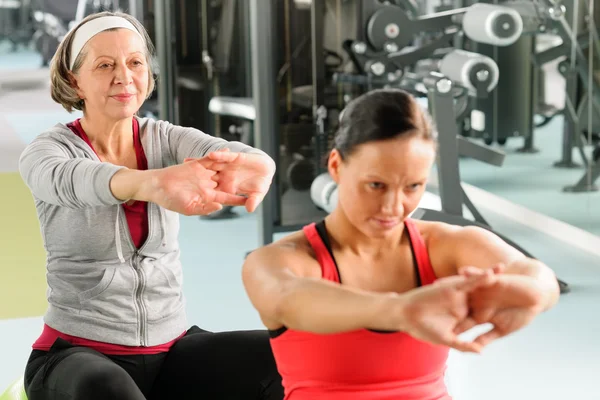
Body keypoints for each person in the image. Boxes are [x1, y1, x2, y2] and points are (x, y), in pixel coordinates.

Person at [19, 11, 283, 400]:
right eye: (105, 65)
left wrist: (260, 163)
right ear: (75, 81)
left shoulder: (165, 138)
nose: (124, 76)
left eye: (135, 62)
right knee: (105, 387)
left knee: (285, 355)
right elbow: (74, 180)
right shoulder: (48, 151)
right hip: (78, 355)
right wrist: (153, 184)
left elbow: (227, 152)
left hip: (170, 349)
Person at [242, 88, 560, 400]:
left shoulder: (443, 245)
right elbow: (288, 300)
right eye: (376, 185)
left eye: (413, 186)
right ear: (336, 166)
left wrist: (532, 293)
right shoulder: (278, 261)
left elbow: (538, 275)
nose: (393, 207)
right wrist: (401, 310)